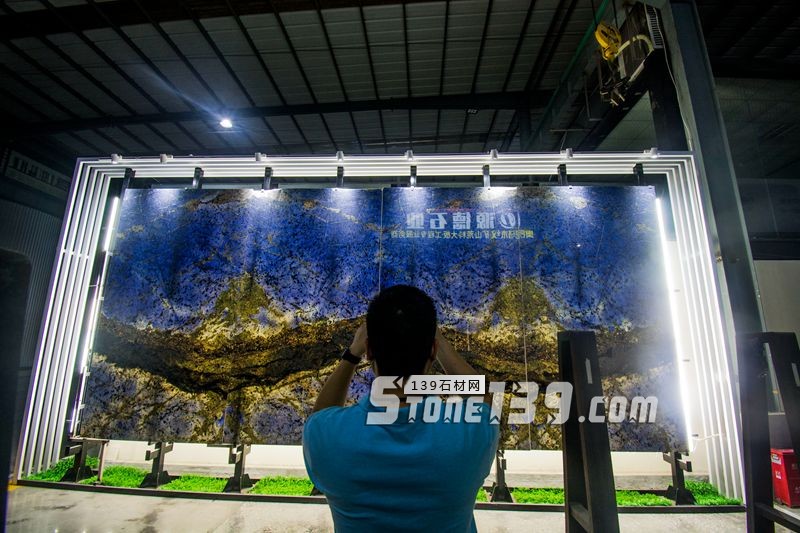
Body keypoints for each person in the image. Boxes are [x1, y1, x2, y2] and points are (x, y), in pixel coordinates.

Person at [303, 284, 499, 532]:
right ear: (433, 350)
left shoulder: (328, 437)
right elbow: (481, 393)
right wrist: (436, 341)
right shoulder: (468, 434)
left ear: (369, 350)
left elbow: (320, 416)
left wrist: (352, 354)